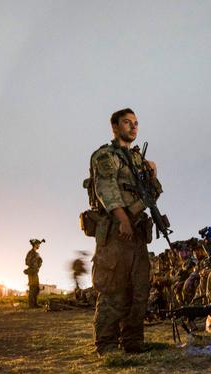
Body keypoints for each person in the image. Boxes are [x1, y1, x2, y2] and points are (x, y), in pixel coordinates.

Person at [89, 108, 162, 355]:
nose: (133, 127)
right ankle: (107, 345)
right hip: (116, 232)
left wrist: (153, 173)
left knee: (139, 289)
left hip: (138, 232)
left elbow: (154, 192)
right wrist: (123, 219)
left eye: (136, 123)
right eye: (127, 123)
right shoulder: (105, 156)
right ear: (115, 127)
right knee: (114, 289)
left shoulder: (139, 160)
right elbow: (106, 191)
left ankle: (132, 341)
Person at [24, 238, 44, 308]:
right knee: (32, 288)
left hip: (35, 272)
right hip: (32, 272)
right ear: (34, 245)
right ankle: (31, 305)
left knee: (36, 288)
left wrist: (38, 265)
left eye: (39, 244)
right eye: (38, 244)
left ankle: (35, 304)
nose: (39, 245)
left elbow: (40, 262)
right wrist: (33, 264)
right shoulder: (30, 253)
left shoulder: (36, 254)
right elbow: (27, 262)